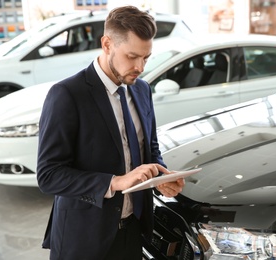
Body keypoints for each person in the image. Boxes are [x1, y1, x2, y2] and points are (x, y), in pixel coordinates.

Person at [37, 5, 185, 260]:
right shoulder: (67, 95)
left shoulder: (142, 90)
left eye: (146, 57)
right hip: (83, 238)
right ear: (107, 44)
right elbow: (49, 175)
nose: (139, 66)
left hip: (133, 231)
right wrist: (114, 182)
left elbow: (149, 148)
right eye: (131, 56)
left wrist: (161, 177)